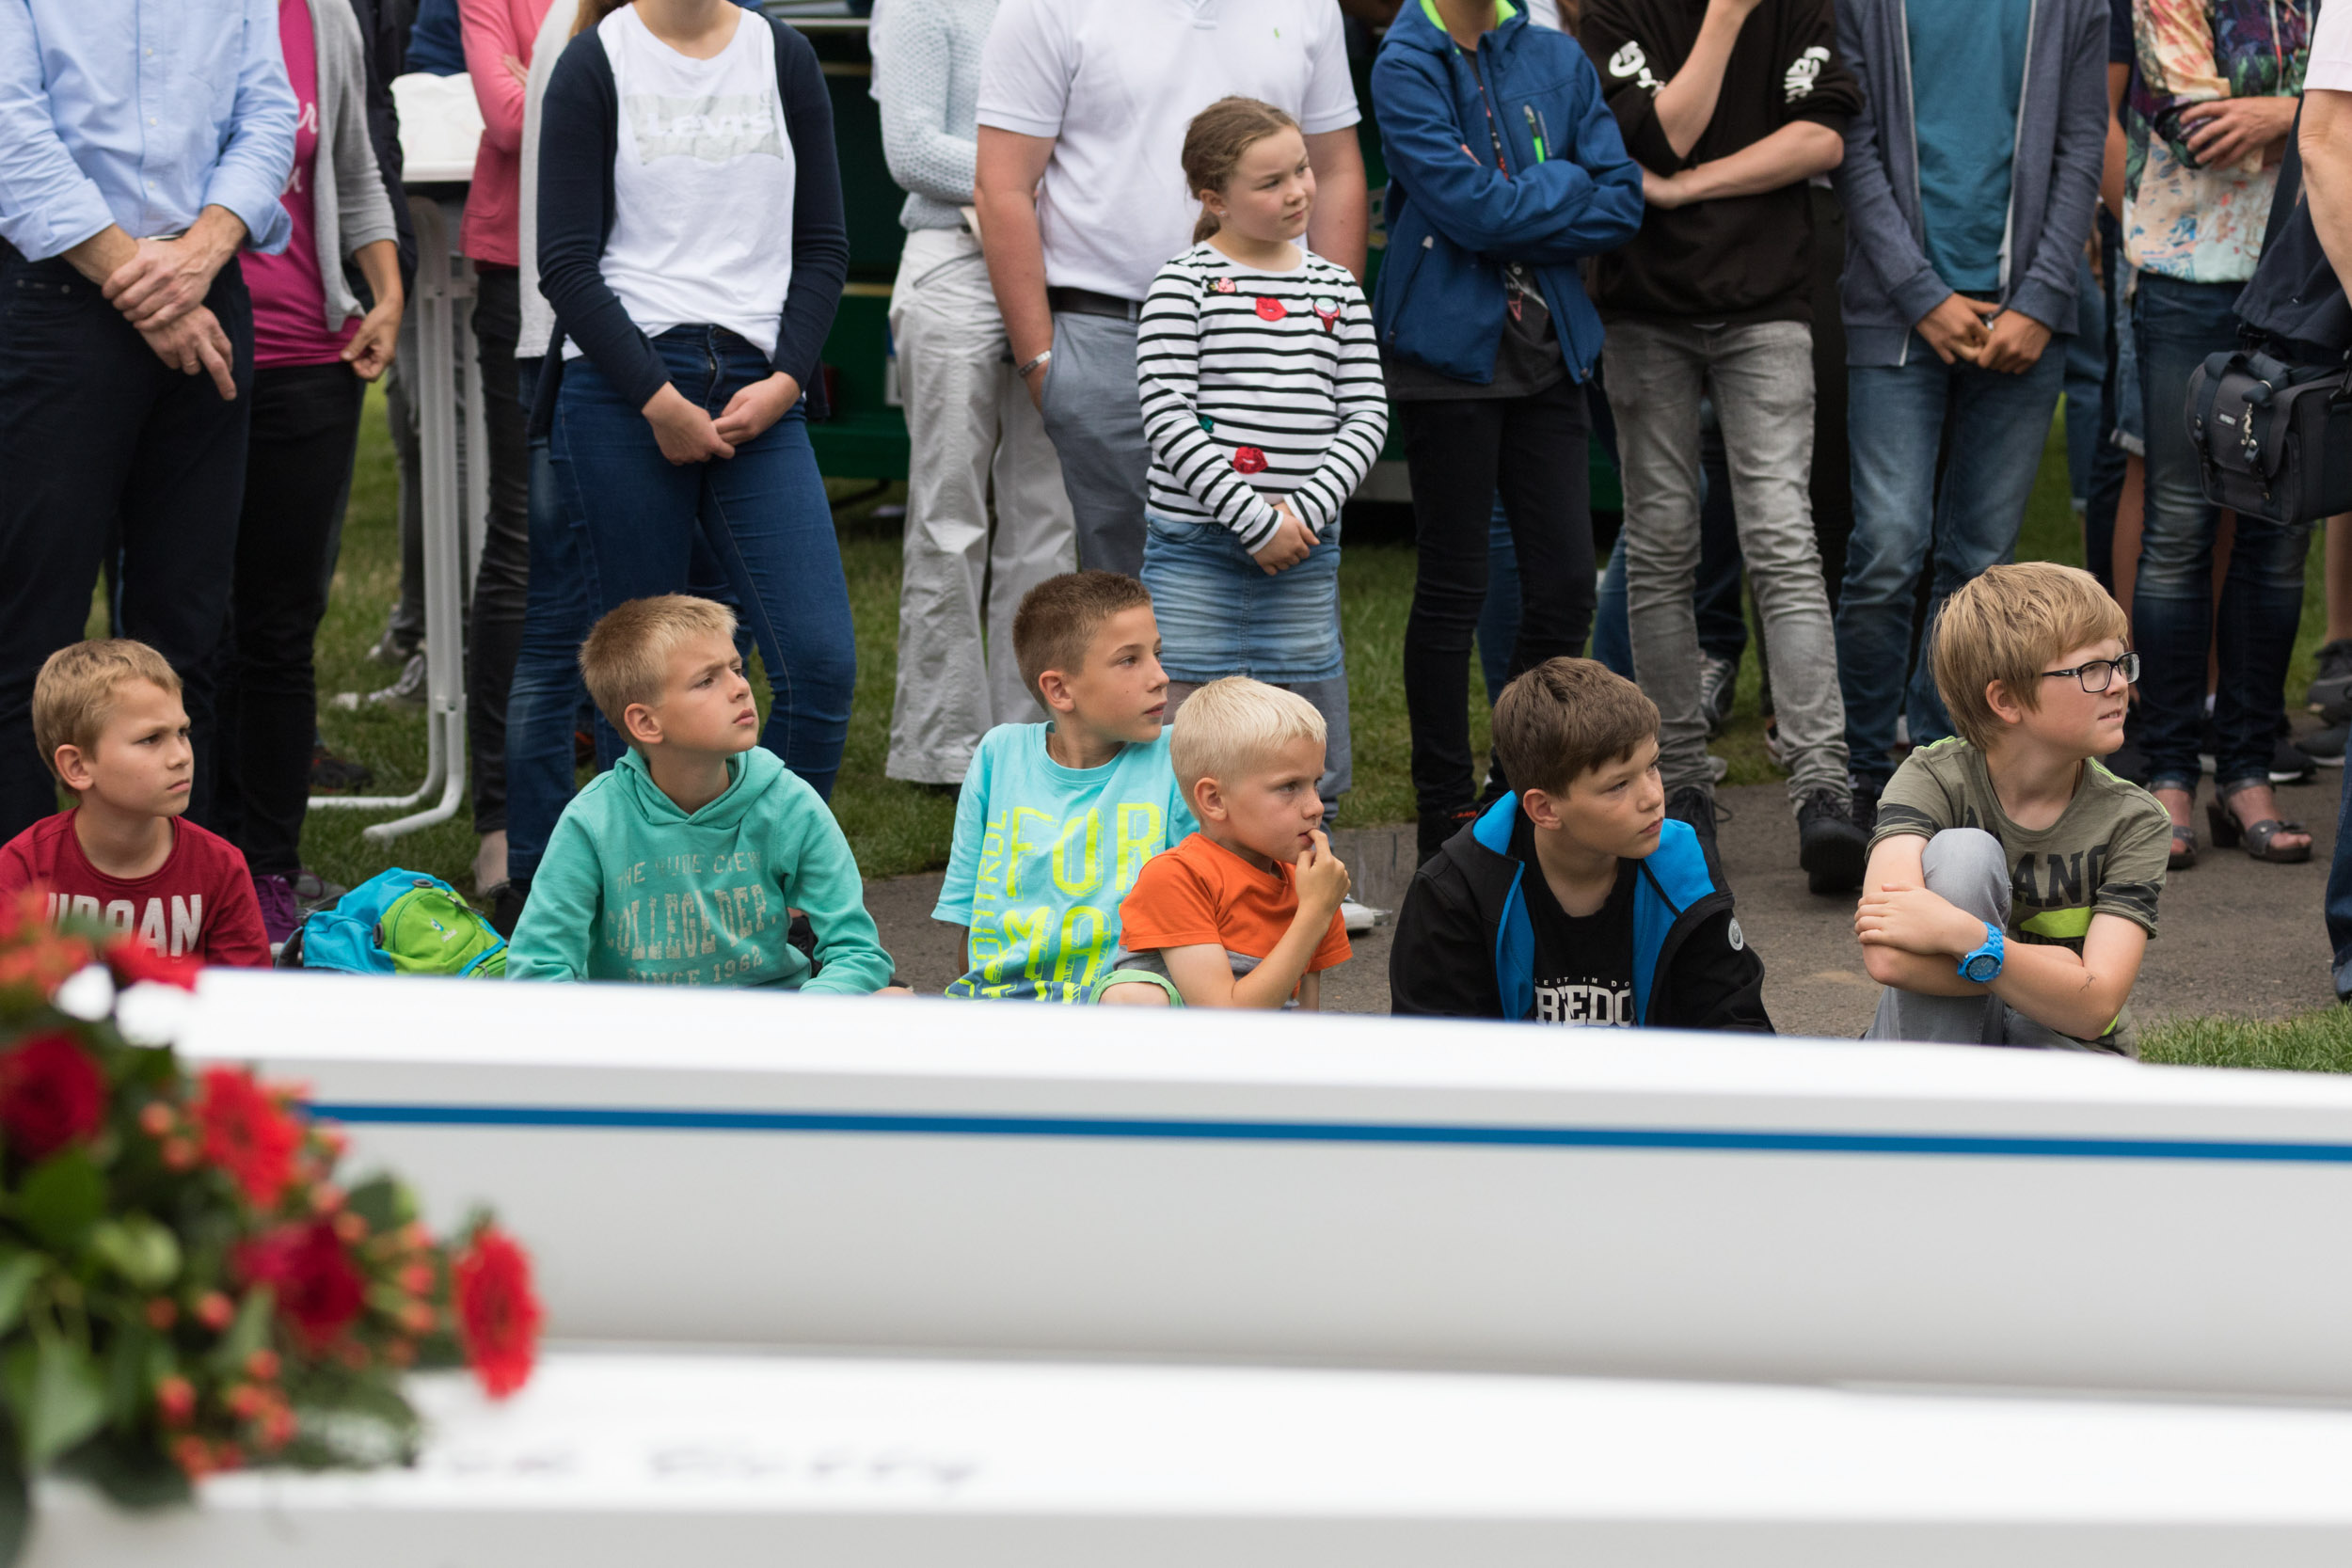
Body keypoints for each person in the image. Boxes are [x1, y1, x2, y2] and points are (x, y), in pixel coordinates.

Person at [1580, 0, 1868, 891]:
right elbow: (1664, 133)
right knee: (1662, 544)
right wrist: (1725, 19)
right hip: (1645, 310)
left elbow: (1821, 140)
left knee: (1784, 539)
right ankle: (1685, 789)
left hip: (1767, 304)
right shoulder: (1613, 13)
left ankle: (1825, 786)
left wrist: (1688, 189)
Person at [536, 0, 855, 797]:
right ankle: (651, 899)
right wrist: (656, 398)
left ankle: (770, 879)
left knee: (819, 666)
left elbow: (824, 246)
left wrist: (787, 379)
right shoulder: (594, 61)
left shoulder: (782, 54)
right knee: (646, 692)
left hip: (762, 388)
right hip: (624, 395)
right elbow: (565, 263)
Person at [0, 0, 296, 846]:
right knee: (29, 628)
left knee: (189, 628)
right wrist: (146, 285)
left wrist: (200, 254)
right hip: (57, 293)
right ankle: (22, 934)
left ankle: (176, 919)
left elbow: (268, 113)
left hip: (206, 286)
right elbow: (10, 132)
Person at [1371, 0, 1645, 862]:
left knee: (1565, 587)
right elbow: (1470, 212)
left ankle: (1513, 790)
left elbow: (1624, 201)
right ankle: (1446, 810)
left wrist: (1531, 196)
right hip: (1447, 360)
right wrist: (1563, 181)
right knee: (1456, 586)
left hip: (1549, 354)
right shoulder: (1404, 60)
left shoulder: (1554, 57)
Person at [973, 0, 1368, 578]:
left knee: (1289, 586)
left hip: (1282, 331)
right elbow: (1002, 184)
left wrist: (1332, 331)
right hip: (1110, 338)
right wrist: (1041, 363)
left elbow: (1335, 170)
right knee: (1129, 609)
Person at [1830, 0, 2108, 810]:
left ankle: (1936, 766)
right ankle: (1859, 770)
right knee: (1887, 546)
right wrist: (1920, 294)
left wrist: (2044, 298)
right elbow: (1853, 145)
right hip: (1897, 310)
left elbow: (2082, 141)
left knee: (1979, 563)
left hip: (2026, 318)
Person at [213, 0, 406, 945]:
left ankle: (270, 869)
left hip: (310, 362)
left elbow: (356, 173)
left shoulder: (325, 13)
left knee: (280, 632)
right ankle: (178, 865)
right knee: (179, 627)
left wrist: (387, 290)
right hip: (186, 355)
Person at [1137, 97, 1388, 818]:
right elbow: (1167, 417)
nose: (1299, 191)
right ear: (1214, 198)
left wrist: (1300, 515)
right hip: (1195, 551)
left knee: (1306, 722)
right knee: (1184, 728)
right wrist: (1253, 520)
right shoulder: (1182, 285)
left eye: (1302, 169)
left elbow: (1368, 413)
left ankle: (1310, 882)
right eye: (1271, 181)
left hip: (1305, 550)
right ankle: (1186, 886)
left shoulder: (1335, 287)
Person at [2121, 0, 2311, 866]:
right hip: (2187, 278)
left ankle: (2245, 774)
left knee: (2280, 536)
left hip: (2312, 275)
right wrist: (2317, 115)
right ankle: (2165, 771)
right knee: (2179, 529)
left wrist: (2278, 115)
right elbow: (2202, 128)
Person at [875, 0, 1076, 790]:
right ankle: (944, 748)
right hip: (951, 257)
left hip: (1057, 262)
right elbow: (911, 151)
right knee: (948, 512)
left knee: (1046, 513)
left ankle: (1032, 738)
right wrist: (1041, 173)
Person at [504, 596, 898, 989]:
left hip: (773, 1031)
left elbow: (857, 951)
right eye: (707, 680)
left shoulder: (787, 802)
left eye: (736, 668)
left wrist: (797, 1027)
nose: (741, 688)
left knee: (896, 1001)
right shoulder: (593, 821)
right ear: (646, 722)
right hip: (644, 1039)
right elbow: (536, 971)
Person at [1857, 563, 2168, 1053]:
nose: (2117, 685)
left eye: (2120, 663)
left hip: (2063, 1051)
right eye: (2090, 669)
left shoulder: (2136, 819)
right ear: (2006, 700)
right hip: (1933, 1042)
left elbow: (2094, 1009)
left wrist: (1968, 938)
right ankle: (1939, 1114)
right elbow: (1888, 958)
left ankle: (1929, 1117)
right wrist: (2060, 976)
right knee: (1963, 853)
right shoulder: (1932, 777)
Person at [1389, 657, 1768, 1027]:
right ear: (1545, 809)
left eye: (1652, 765)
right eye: (1618, 785)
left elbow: (1739, 1038)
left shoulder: (1682, 872)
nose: (1652, 796)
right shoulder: (1457, 891)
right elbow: (1435, 1064)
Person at [932, 572, 1198, 1001]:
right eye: (1130, 660)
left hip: (1124, 1007)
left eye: (1157, 654)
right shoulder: (1000, 754)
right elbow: (973, 915)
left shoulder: (1177, 757)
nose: (1161, 676)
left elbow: (1204, 918)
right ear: (1059, 689)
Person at [458, 0, 560, 897]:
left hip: (645, 273)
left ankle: (647, 810)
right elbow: (508, 117)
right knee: (524, 534)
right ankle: (503, 816)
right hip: (516, 275)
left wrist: (543, 77)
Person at [0, 641, 269, 968]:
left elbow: (246, 1002)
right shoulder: (23, 868)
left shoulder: (220, 868)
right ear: (78, 767)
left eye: (182, 732)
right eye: (151, 739)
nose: (182, 756)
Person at [1094, 677, 1351, 1009]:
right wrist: (1314, 914)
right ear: (1214, 799)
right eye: (1289, 787)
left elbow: (1307, 1016)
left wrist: (1316, 908)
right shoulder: (1176, 878)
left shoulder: (1313, 885)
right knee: (1133, 997)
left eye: (1314, 783)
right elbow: (1224, 1021)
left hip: (1259, 1053)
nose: (1316, 806)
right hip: (1184, 1050)